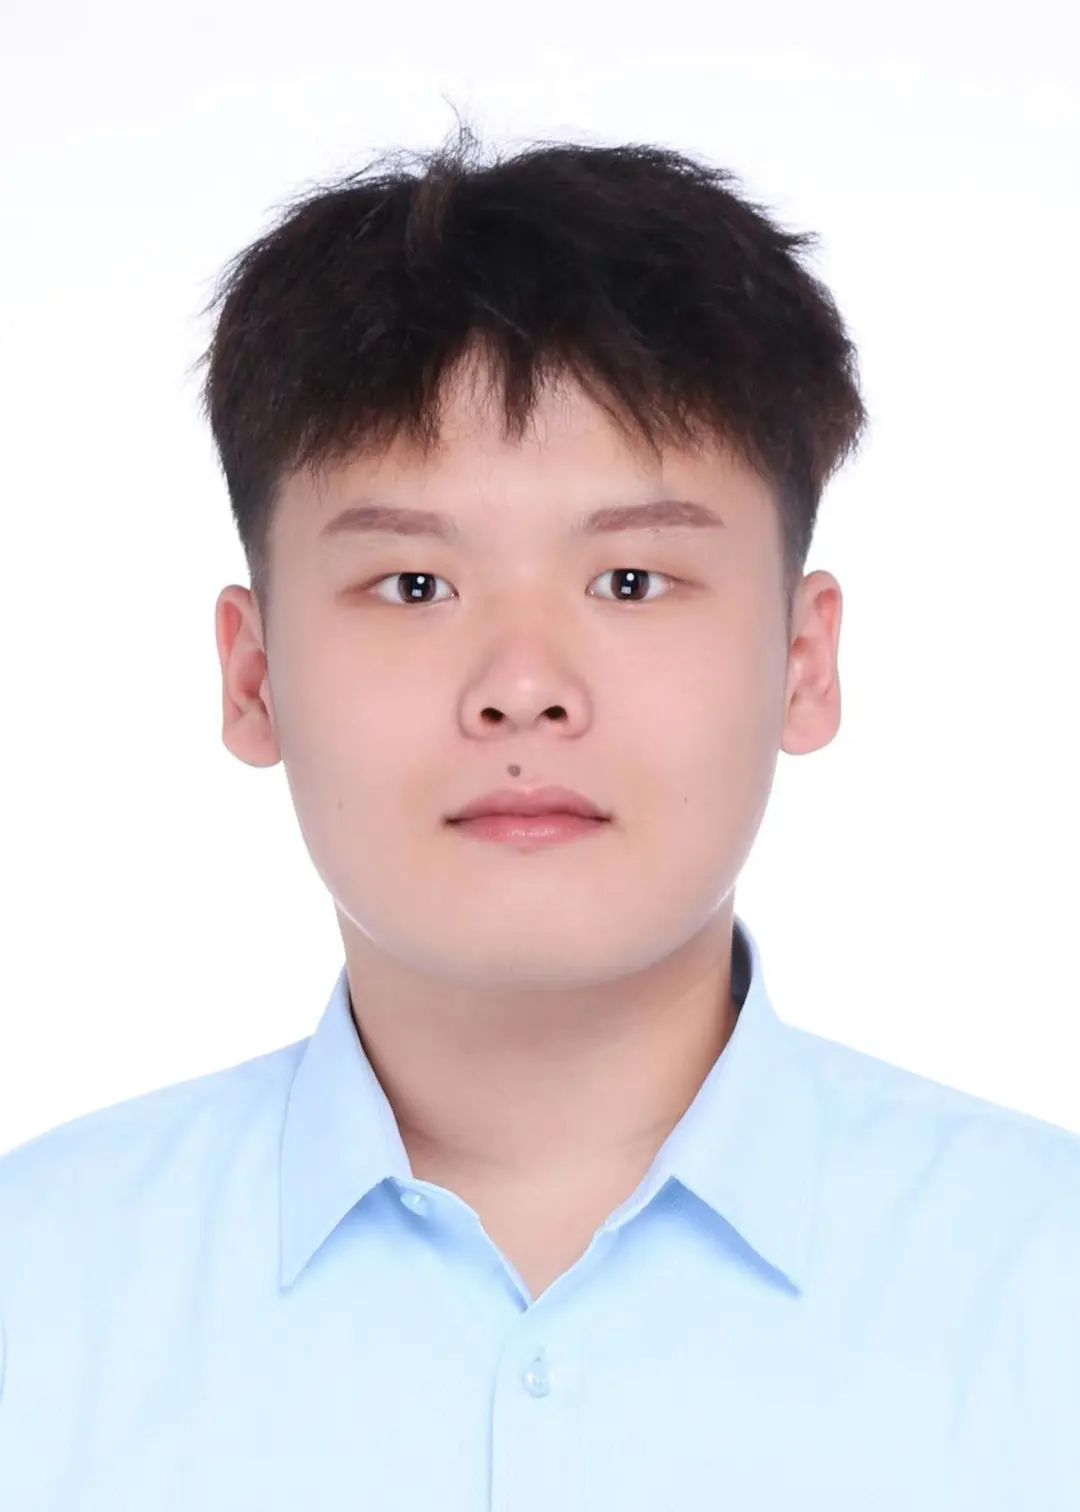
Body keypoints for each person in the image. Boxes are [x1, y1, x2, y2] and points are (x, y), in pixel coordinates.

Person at [1, 116, 1077, 1509]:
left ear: (804, 662)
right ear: (253, 675)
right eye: (414, 586)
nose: (523, 689)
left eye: (632, 582)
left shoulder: (1043, 1286)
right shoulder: (38, 1292)